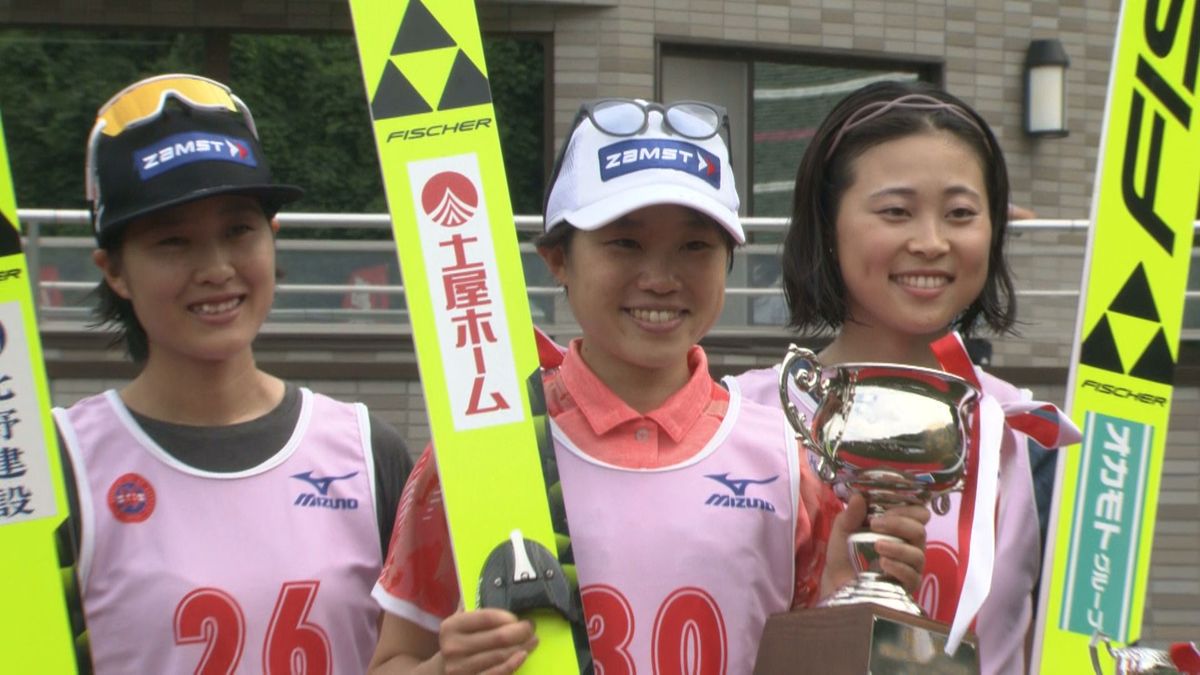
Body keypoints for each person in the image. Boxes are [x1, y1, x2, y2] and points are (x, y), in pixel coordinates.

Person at [367, 98, 930, 675]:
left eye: (695, 246)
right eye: (624, 243)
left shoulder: (793, 459)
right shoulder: (479, 449)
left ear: (729, 261)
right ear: (558, 258)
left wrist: (845, 601)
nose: (660, 279)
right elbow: (391, 661)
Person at [52, 74, 413, 673]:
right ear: (113, 271)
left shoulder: (369, 453)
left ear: (273, 238)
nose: (216, 268)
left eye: (237, 230)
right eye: (172, 241)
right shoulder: (65, 467)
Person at [733, 80, 1081, 675]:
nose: (930, 242)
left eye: (961, 214)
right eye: (895, 211)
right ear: (826, 223)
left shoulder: (1031, 439)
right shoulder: (737, 417)